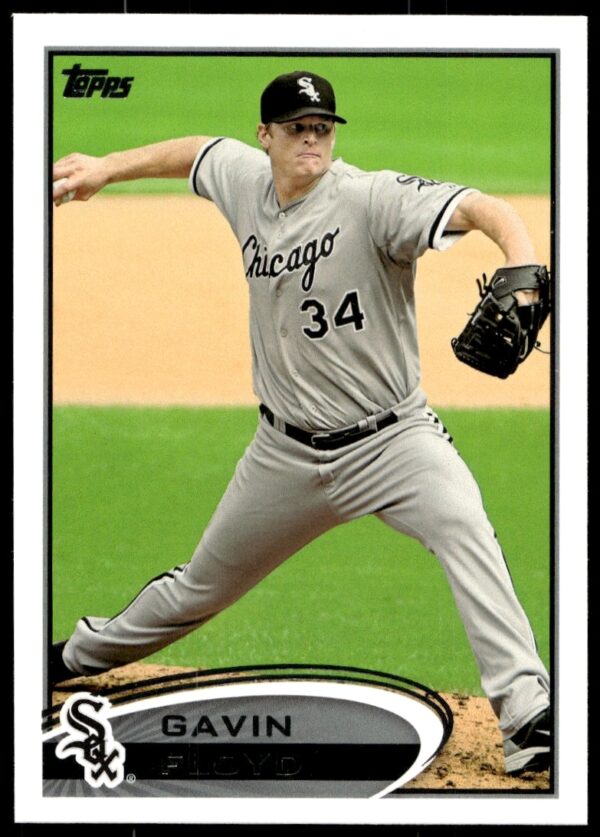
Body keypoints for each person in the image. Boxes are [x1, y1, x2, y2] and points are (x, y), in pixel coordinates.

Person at [51, 70, 551, 776]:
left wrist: (523, 264)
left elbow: (485, 207)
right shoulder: (243, 181)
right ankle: (71, 657)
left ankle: (528, 715)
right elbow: (195, 152)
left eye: (321, 128)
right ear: (267, 136)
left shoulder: (372, 198)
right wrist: (106, 167)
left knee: (465, 526)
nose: (311, 139)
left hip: (394, 441)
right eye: (296, 128)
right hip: (282, 456)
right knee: (199, 588)